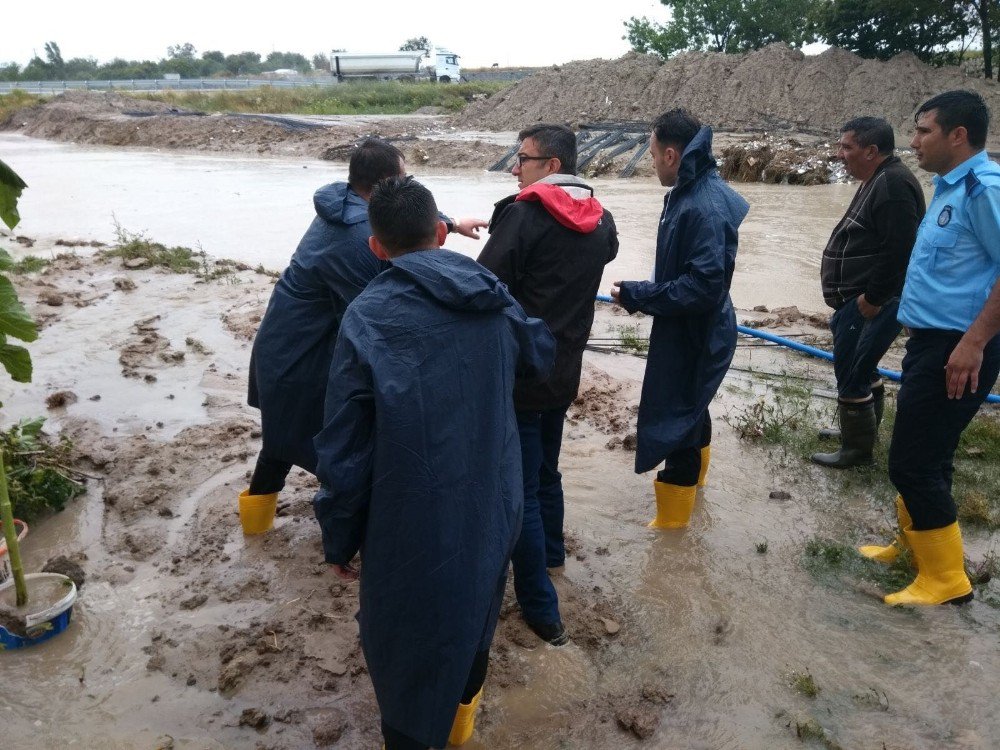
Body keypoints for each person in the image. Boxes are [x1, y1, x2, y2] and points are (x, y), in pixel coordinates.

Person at [313, 176, 555, 749]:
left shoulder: (367, 316)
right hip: (492, 503)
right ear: (442, 234)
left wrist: (338, 539)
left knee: (402, 643)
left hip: (408, 516)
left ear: (375, 248)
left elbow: (343, 449)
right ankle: (458, 728)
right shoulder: (491, 293)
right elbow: (539, 354)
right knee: (475, 614)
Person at [243, 139, 486, 517]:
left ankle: (255, 528)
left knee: (283, 439)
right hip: (301, 358)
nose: (408, 182)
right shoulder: (357, 238)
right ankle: (340, 532)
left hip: (288, 345)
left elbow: (402, 219)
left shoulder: (344, 202)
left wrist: (450, 224)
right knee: (333, 448)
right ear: (385, 182)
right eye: (405, 176)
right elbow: (397, 307)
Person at [477, 124, 619, 645]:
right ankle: (554, 557)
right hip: (564, 370)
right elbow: (606, 252)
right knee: (547, 472)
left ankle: (542, 609)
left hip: (520, 373)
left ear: (553, 166)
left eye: (525, 159)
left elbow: (484, 284)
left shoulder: (525, 216)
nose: (516, 168)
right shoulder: (601, 220)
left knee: (523, 491)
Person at [858, 90, 1000, 606]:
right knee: (930, 455)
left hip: (956, 346)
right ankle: (919, 548)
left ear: (957, 135)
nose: (913, 141)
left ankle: (946, 582)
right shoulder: (948, 188)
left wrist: (974, 342)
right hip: (931, 341)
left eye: (923, 131)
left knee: (912, 464)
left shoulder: (984, 190)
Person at [611, 108, 748, 529]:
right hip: (695, 326)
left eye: (652, 155)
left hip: (697, 331)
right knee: (692, 406)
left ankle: (672, 529)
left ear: (672, 154)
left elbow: (703, 287)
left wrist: (639, 294)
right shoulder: (694, 189)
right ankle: (695, 495)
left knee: (679, 420)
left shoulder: (700, 204)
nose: (651, 162)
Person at [811, 117, 926, 468]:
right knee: (863, 366)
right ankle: (859, 433)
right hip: (864, 300)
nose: (839, 154)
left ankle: (856, 451)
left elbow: (899, 249)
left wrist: (872, 299)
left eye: (847, 147)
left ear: (871, 151)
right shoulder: (879, 177)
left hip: (873, 302)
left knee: (852, 370)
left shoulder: (892, 184)